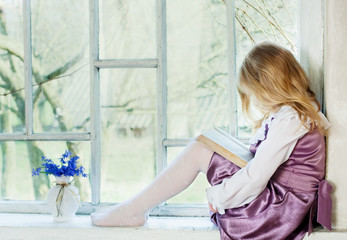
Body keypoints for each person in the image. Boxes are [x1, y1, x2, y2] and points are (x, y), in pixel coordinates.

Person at [91, 42, 332, 240]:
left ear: (269, 87)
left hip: (280, 209)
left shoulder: (291, 119)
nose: (255, 102)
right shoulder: (297, 113)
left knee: (200, 149)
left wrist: (218, 197)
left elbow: (257, 176)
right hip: (286, 204)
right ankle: (133, 207)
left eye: (254, 94)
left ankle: (133, 209)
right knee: (206, 144)